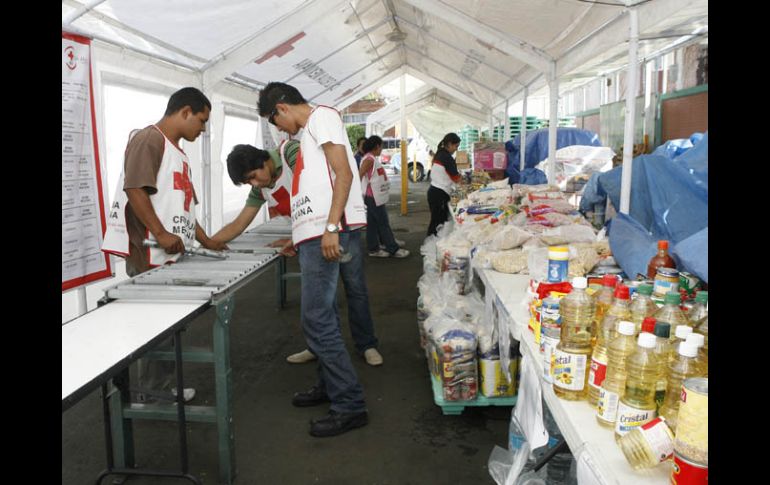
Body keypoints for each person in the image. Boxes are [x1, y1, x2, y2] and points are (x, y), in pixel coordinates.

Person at [102, 87, 227, 403]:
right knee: (153, 328)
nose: (202, 129)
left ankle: (159, 387)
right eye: (201, 121)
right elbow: (135, 189)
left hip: (169, 257)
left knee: (167, 329)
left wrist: (208, 241)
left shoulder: (178, 152)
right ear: (185, 111)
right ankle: (151, 393)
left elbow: (185, 208)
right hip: (150, 256)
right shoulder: (150, 138)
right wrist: (159, 233)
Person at [258, 81, 369, 437]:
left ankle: (349, 404)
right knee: (324, 317)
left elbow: (345, 173)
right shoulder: (308, 132)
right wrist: (298, 235)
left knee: (317, 319)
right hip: (315, 233)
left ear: (282, 108)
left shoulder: (322, 117)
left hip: (328, 231)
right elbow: (316, 185)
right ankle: (329, 386)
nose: (278, 130)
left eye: (275, 121)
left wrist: (332, 226)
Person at [211, 141, 383, 367]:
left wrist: (296, 237)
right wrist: (208, 243)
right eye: (248, 181)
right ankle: (320, 346)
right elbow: (238, 224)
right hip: (312, 239)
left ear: (264, 161)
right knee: (321, 297)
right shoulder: (260, 188)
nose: (254, 183)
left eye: (254, 176)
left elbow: (319, 191)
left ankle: (366, 344)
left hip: (339, 227)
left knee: (355, 287)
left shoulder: (290, 153)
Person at [358, 135, 409, 258]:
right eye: (381, 146)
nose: (382, 149)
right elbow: (359, 175)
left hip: (374, 196)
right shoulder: (369, 159)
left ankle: (373, 248)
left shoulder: (371, 158)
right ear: (377, 146)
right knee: (383, 223)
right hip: (373, 197)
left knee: (373, 224)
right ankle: (393, 248)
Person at [426, 133, 462, 237]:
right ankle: (432, 244)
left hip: (434, 191)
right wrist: (463, 179)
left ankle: (433, 242)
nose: (456, 149)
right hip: (439, 193)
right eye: (456, 146)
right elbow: (456, 178)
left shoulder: (440, 153)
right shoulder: (446, 157)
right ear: (449, 144)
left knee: (436, 220)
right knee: (438, 222)